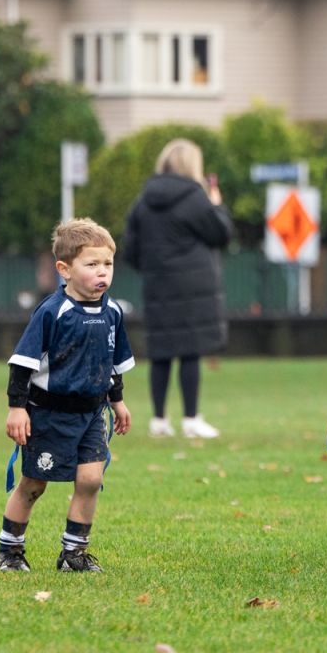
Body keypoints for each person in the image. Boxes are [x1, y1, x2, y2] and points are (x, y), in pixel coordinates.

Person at [0, 219, 135, 572]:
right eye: (92, 264)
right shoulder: (52, 312)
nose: (102, 272)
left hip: (92, 415)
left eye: (108, 264)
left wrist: (117, 402)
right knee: (34, 484)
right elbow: (22, 365)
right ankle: (9, 552)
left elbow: (112, 362)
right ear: (64, 269)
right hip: (47, 415)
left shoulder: (113, 312)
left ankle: (73, 554)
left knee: (91, 480)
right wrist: (17, 409)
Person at [123, 138, 232, 439]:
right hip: (193, 286)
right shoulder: (195, 197)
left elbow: (130, 249)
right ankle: (191, 419)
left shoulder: (143, 200)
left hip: (157, 284)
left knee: (161, 351)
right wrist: (218, 205)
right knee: (189, 351)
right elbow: (221, 234)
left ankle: (159, 420)